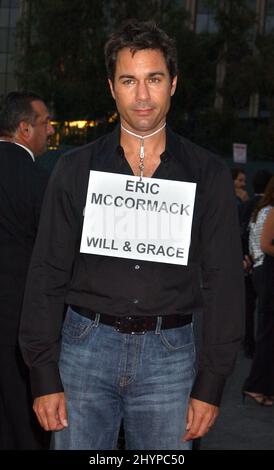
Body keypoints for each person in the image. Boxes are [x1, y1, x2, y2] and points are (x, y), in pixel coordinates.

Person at [19, 20, 244, 450]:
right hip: (83, 350)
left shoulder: (208, 174)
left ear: (173, 84)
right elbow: (47, 272)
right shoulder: (75, 169)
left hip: (171, 356)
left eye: (154, 79)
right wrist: (42, 372)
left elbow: (224, 284)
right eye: (129, 80)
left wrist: (212, 380)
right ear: (112, 87)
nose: (142, 95)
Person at [0, 91, 54, 449]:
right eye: (45, 123)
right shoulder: (39, 181)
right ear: (24, 129)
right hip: (18, 316)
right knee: (19, 411)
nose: (50, 130)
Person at [242, 176, 274, 406]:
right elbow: (265, 245)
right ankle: (255, 386)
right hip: (268, 274)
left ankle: (262, 386)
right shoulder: (270, 211)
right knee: (268, 334)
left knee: (268, 333)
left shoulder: (262, 210)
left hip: (261, 272)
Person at [239, 170, 272, 358]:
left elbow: (237, 233)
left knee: (249, 307)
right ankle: (261, 347)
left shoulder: (246, 207)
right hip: (262, 264)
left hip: (247, 263)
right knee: (265, 309)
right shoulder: (268, 209)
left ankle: (249, 345)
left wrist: (243, 257)